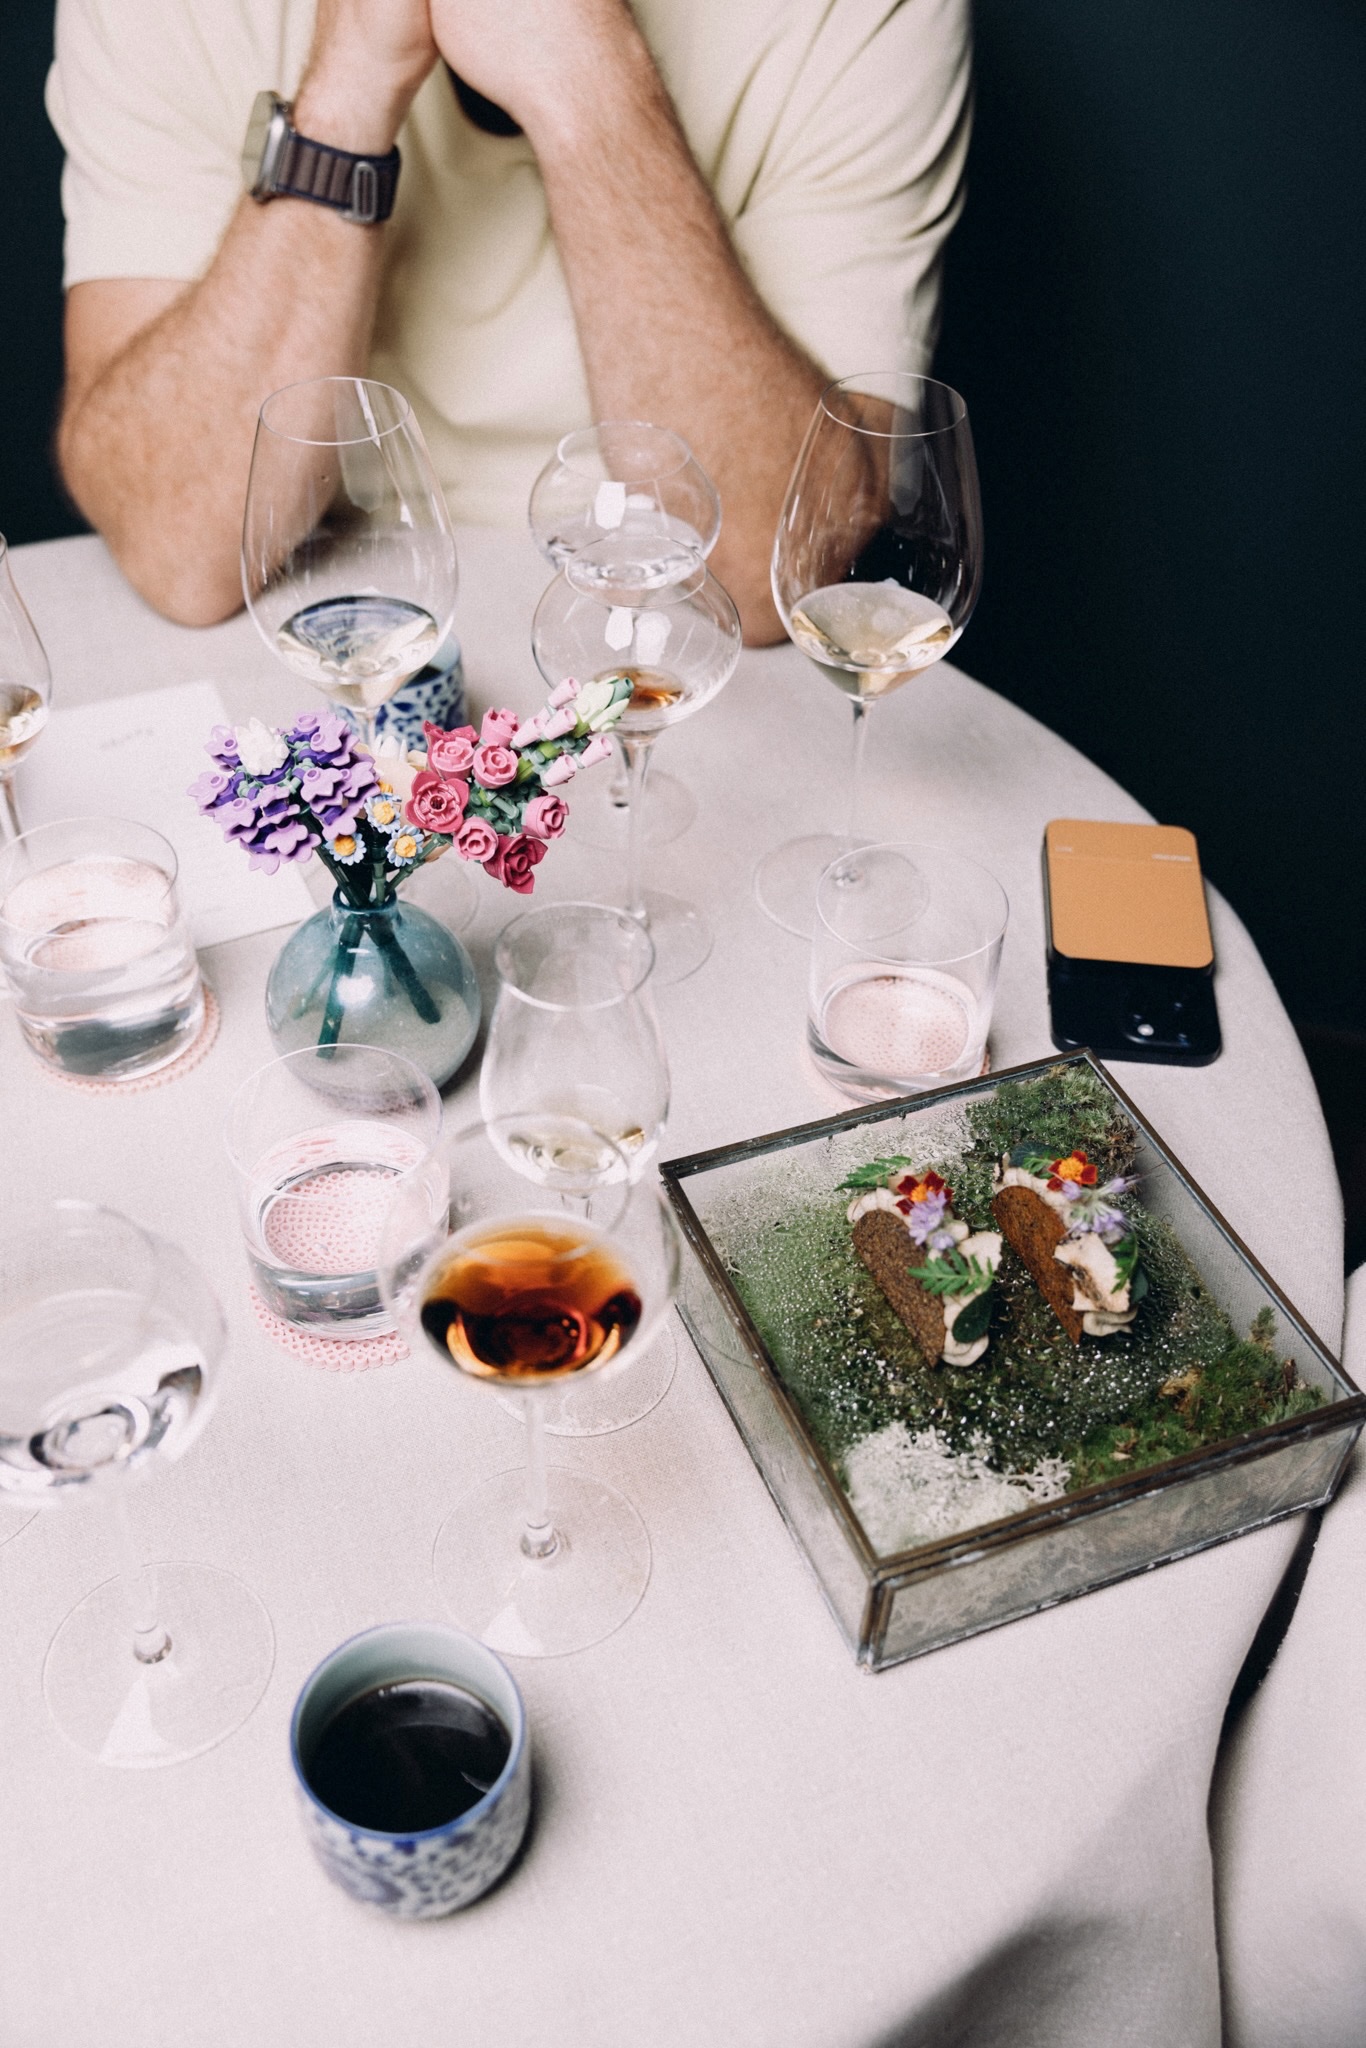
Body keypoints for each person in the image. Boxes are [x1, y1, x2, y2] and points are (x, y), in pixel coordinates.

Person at [46, 0, 971, 642]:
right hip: (324, 631)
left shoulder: (862, 17)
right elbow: (182, 552)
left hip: (679, 655)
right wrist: (350, 85)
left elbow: (778, 572)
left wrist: (590, 79)